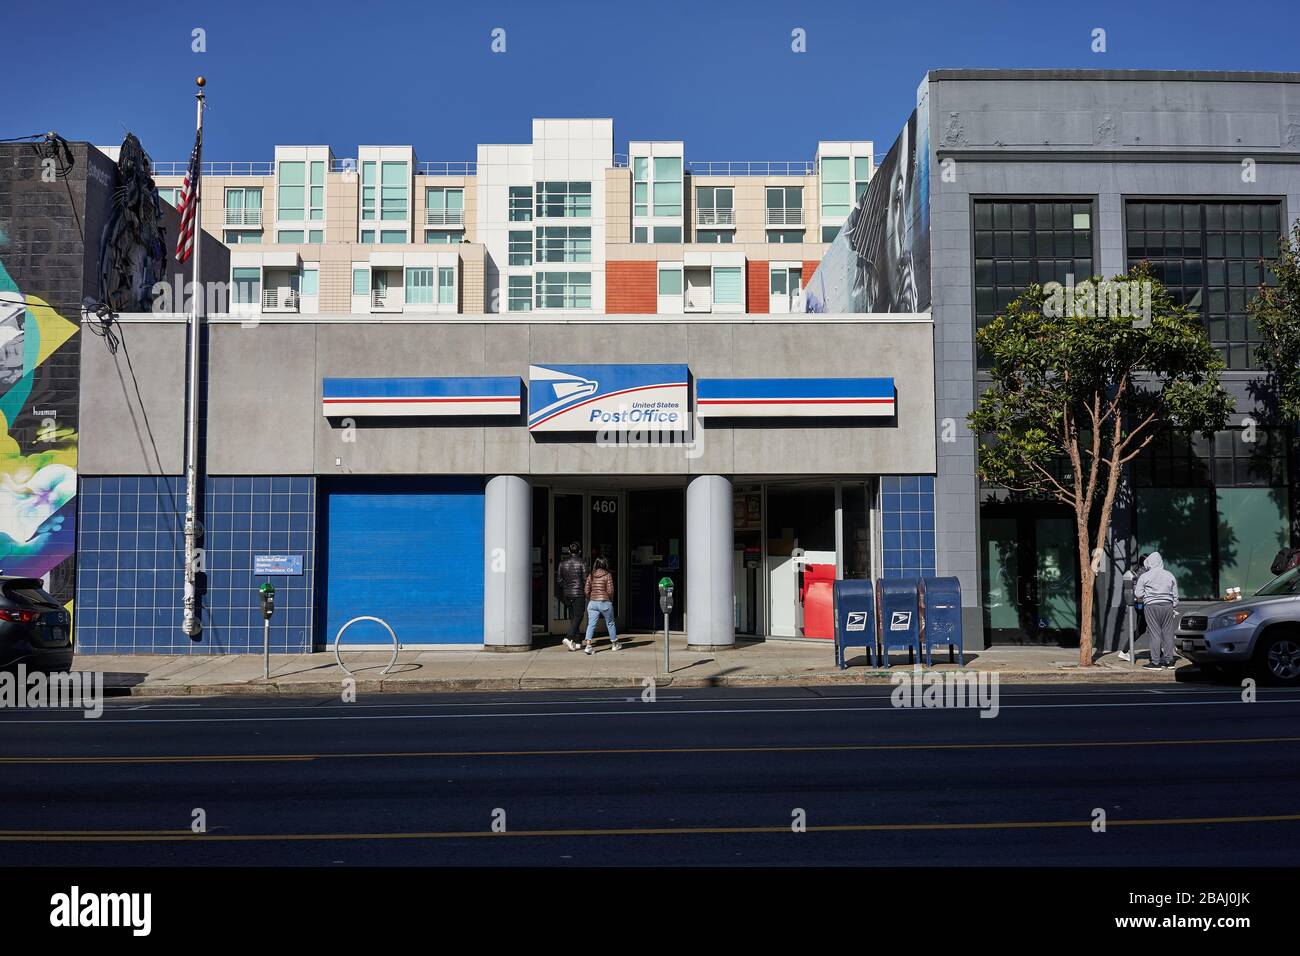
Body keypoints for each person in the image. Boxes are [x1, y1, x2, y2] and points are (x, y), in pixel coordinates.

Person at [1134, 551, 1179, 669]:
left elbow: (1138, 594)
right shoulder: (1169, 575)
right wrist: (1173, 605)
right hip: (1167, 605)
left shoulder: (1145, 576)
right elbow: (1175, 595)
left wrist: (1147, 596)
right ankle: (1169, 661)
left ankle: (1155, 662)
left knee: (1155, 633)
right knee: (1168, 633)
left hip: (1151, 606)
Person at [582, 556, 620, 654]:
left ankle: (588, 646)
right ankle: (614, 644)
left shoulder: (591, 575)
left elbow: (586, 590)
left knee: (591, 624)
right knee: (610, 623)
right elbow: (610, 590)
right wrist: (610, 600)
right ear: (605, 564)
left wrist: (590, 598)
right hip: (605, 602)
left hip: (592, 603)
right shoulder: (608, 575)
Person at [557, 542, 587, 652]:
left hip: (567, 593)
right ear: (579, 551)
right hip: (578, 593)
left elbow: (559, 580)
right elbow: (585, 579)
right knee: (578, 616)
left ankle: (578, 641)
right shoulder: (582, 562)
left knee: (573, 617)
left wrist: (566, 588)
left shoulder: (562, 563)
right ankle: (569, 637)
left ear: (569, 551)